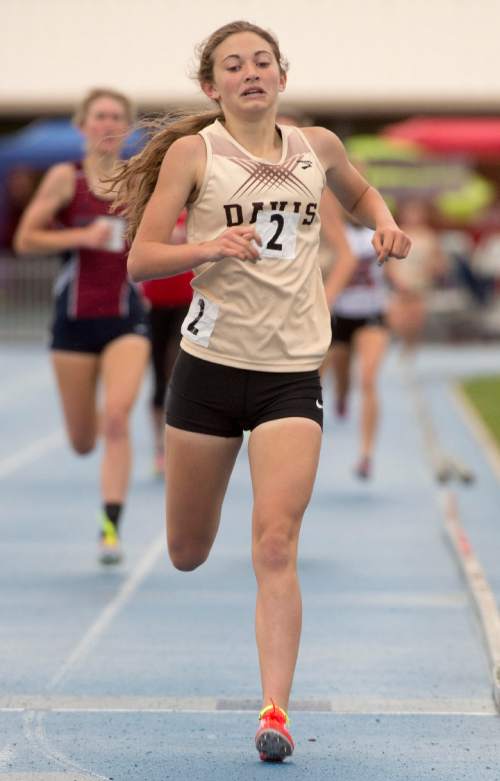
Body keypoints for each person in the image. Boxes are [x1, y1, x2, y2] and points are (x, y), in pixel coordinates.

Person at [112, 20, 411, 761]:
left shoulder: (319, 148)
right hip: (209, 371)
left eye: (262, 62)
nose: (250, 72)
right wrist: (206, 246)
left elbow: (362, 192)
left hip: (289, 377)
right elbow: (141, 259)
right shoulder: (195, 153)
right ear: (212, 87)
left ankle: (275, 710)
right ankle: (191, 542)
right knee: (186, 549)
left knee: (276, 542)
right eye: (233, 65)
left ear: (281, 76)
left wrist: (384, 221)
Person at [14, 88, 150, 565]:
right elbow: (25, 238)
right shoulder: (64, 179)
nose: (107, 124)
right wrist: (80, 235)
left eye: (117, 117)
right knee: (82, 440)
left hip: (125, 320)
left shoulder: (139, 183)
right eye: (99, 116)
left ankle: (109, 529)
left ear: (127, 130)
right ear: (82, 126)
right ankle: (89, 424)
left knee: (117, 418)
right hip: (72, 325)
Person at [324, 213, 391, 479]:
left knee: (368, 379)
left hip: (372, 316)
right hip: (340, 316)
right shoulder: (333, 235)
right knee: (340, 380)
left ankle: (366, 454)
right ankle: (341, 396)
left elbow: (393, 269)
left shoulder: (379, 232)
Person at [140, 211, 192, 475]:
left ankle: (185, 444)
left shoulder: (193, 213)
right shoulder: (153, 215)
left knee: (182, 370)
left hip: (187, 301)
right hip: (155, 303)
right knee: (159, 375)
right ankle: (160, 447)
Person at [386, 198, 447, 355]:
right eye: (410, 213)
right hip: (401, 282)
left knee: (415, 320)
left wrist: (431, 271)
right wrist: (397, 281)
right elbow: (389, 262)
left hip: (420, 283)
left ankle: (410, 348)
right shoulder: (397, 233)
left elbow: (438, 262)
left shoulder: (429, 236)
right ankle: (395, 346)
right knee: (397, 318)